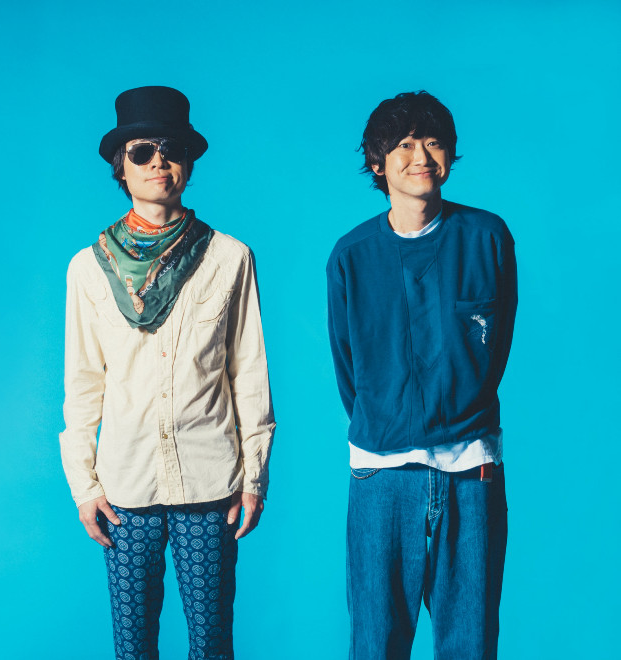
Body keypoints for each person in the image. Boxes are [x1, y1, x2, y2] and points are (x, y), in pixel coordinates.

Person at [60, 85, 275, 660]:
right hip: (125, 488)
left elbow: (249, 374)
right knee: (132, 647)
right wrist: (85, 487)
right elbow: (82, 383)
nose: (159, 162)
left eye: (172, 149)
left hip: (210, 482)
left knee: (212, 645)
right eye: (142, 152)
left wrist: (254, 478)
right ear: (121, 167)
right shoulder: (88, 268)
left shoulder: (229, 257)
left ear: (188, 163)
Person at [326, 91, 517, 659]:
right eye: (404, 145)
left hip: (471, 469)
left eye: (434, 142)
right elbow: (347, 366)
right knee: (376, 642)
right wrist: (387, 419)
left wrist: (463, 408)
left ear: (451, 155)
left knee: (471, 643)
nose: (421, 157)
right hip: (381, 474)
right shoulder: (351, 256)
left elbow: (498, 344)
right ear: (377, 162)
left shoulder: (487, 237)